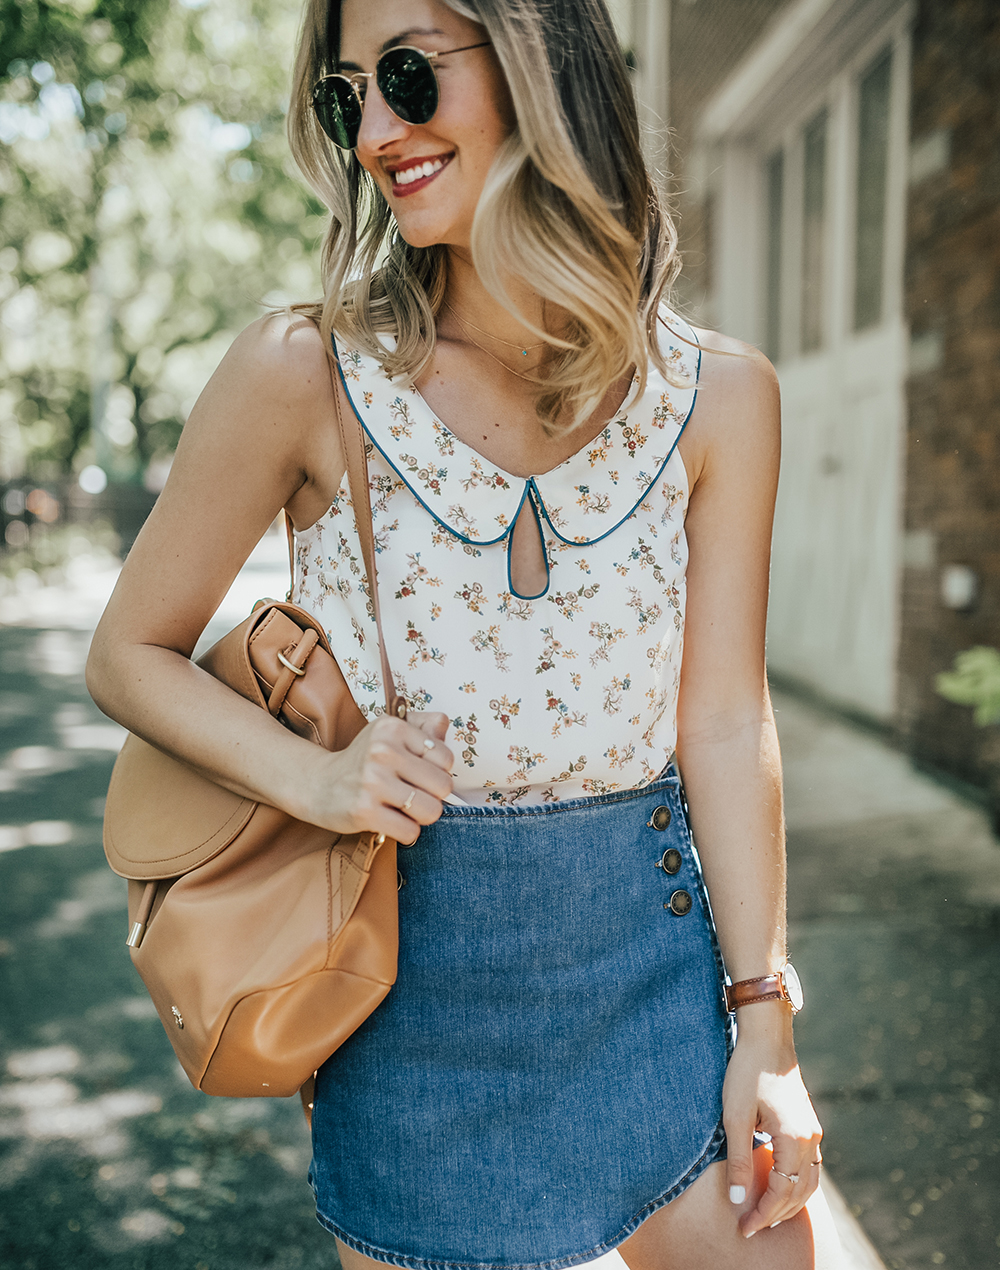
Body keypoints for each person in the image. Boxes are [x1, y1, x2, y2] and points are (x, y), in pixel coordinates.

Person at [87, 0, 844, 1266]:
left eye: (404, 77)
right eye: (347, 99)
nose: (377, 131)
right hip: (409, 1022)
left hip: (653, 986)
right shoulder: (305, 369)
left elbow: (721, 717)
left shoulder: (721, 398)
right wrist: (318, 778)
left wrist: (765, 1023)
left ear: (537, 62)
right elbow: (130, 651)